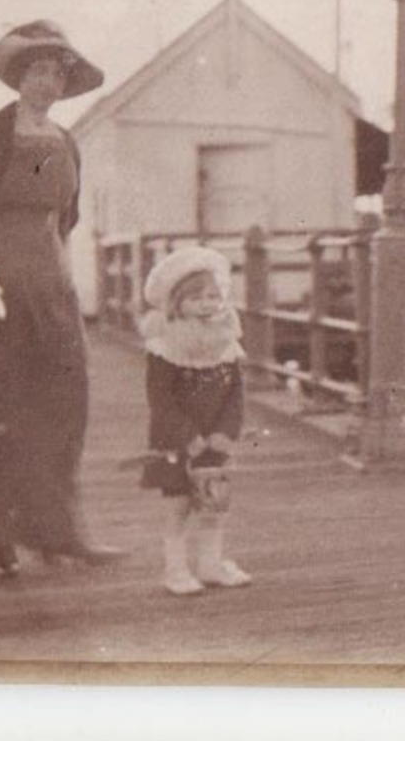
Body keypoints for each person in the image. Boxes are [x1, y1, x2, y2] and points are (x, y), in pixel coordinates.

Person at [0, 19, 123, 576]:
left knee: (65, 407)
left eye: (56, 73)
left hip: (52, 295)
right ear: (19, 76)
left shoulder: (65, 144)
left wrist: (72, 301)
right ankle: (0, 539)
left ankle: (60, 534)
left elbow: (61, 228)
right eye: (37, 70)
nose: (47, 83)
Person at [138, 246, 252, 596]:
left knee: (213, 504)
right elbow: (161, 400)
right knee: (179, 506)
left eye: (213, 296)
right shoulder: (164, 347)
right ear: (176, 302)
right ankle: (176, 569)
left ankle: (210, 563)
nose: (207, 303)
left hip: (214, 442)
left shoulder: (225, 343)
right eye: (196, 297)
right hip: (177, 441)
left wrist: (224, 432)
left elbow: (235, 394)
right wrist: (188, 436)